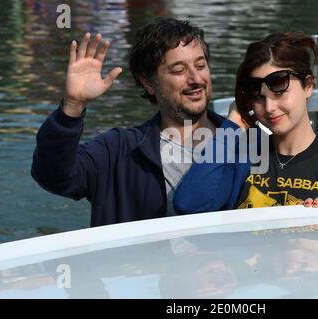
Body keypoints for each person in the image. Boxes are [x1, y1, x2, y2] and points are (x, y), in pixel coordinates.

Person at [31, 18, 231, 226]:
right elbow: (53, 177)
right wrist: (72, 106)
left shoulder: (246, 141)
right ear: (148, 83)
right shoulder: (118, 152)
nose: (196, 79)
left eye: (200, 65)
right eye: (178, 70)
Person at [174, 32, 318, 214]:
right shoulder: (241, 158)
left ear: (308, 86)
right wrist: (231, 126)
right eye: (258, 97)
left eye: (279, 89)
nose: (269, 107)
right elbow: (189, 205)